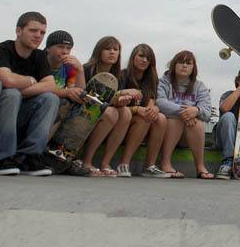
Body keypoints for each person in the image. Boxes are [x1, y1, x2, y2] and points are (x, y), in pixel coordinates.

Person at [0, 12, 59, 175]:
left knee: (50, 98)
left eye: (42, 32)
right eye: (33, 30)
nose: (38, 36)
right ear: (18, 31)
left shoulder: (40, 56)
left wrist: (20, 88)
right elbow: (7, 81)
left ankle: (28, 157)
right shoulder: (0, 50)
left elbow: (50, 85)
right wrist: (32, 80)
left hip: (17, 115)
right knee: (11, 94)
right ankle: (1, 157)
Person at [157, 50, 213, 179]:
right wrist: (185, 112)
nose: (184, 65)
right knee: (175, 120)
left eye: (188, 63)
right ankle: (165, 163)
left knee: (198, 124)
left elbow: (207, 112)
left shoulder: (199, 86)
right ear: (173, 65)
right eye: (181, 62)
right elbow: (160, 102)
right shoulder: (164, 82)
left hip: (189, 136)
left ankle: (200, 166)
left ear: (193, 67)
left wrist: (196, 111)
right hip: (166, 133)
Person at [80, 36, 132, 176]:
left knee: (126, 112)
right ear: (98, 51)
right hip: (83, 111)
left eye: (116, 49)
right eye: (107, 48)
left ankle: (105, 162)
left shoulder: (118, 75)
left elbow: (113, 99)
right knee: (110, 113)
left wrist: (122, 100)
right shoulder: (87, 69)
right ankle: (87, 161)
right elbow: (86, 96)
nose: (112, 52)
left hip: (103, 110)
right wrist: (115, 99)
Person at [115, 44, 169, 178]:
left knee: (160, 118)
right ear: (133, 57)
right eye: (141, 56)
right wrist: (136, 109)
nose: (144, 60)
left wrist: (154, 108)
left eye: (148, 58)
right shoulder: (122, 75)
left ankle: (149, 166)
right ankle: (124, 163)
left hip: (141, 121)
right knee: (144, 118)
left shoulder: (151, 79)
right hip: (121, 120)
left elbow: (151, 101)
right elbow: (115, 104)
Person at [45, 30, 86, 136]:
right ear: (48, 48)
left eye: (68, 48)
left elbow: (79, 91)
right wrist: (67, 92)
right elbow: (41, 90)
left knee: (74, 105)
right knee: (61, 103)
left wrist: (80, 70)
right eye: (60, 46)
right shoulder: (41, 61)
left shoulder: (68, 66)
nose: (65, 51)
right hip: (42, 102)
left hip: (59, 104)